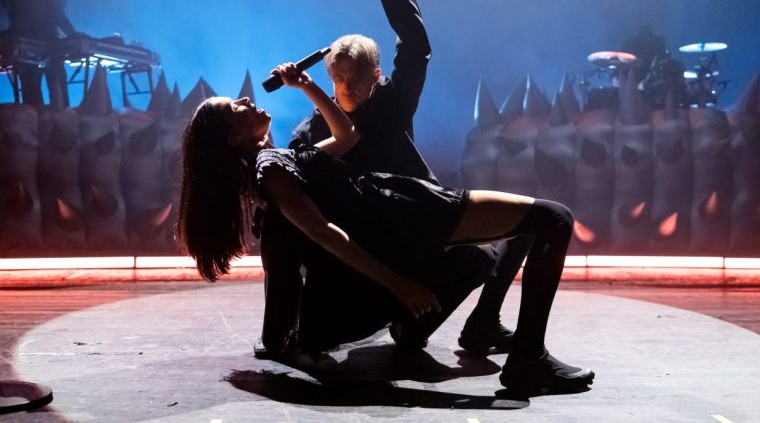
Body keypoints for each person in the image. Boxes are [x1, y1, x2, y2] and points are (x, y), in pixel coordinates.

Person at [176, 62, 595, 396]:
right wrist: (397, 285)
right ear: (233, 140)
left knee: (530, 226)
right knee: (553, 219)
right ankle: (527, 359)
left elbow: (347, 133)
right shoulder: (271, 170)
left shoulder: (278, 163)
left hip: (401, 208)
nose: (246, 99)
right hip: (405, 213)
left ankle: (513, 345)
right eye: (235, 108)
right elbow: (323, 233)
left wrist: (306, 85)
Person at [262, 0, 528, 360]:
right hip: (365, 256)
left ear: (374, 76)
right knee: (488, 249)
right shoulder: (315, 132)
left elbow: (416, 43)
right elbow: (299, 222)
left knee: (503, 240)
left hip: (416, 223)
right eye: (341, 76)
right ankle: (396, 318)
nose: (347, 84)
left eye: (354, 77)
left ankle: (454, 323)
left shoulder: (386, 105)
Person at [0, 0, 76, 107]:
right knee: (49, 91)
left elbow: (57, 12)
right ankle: (51, 120)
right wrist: (72, 35)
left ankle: (46, 121)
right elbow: (58, 13)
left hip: (44, 43)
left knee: (38, 92)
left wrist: (73, 36)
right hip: (38, 44)